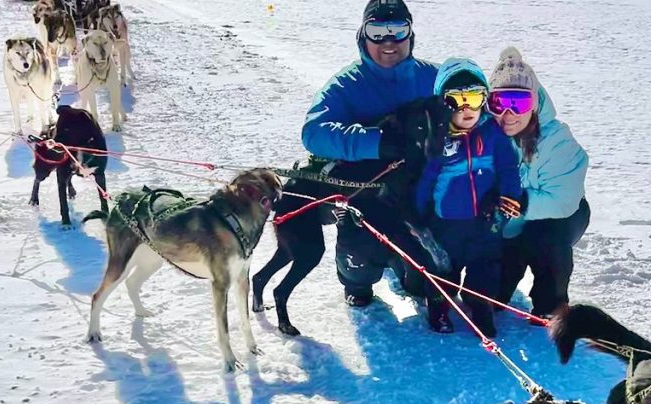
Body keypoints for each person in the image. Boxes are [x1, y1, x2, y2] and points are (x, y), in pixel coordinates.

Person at [252, 0, 449, 335]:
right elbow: (313, 133)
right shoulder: (347, 85)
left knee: (424, 272)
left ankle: (410, 274)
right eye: (378, 32)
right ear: (363, 35)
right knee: (362, 246)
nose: (389, 42)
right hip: (367, 195)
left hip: (422, 191)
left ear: (411, 34)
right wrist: (374, 142)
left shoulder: (434, 77)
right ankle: (357, 283)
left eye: (398, 31)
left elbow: (475, 110)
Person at [415, 59, 523, 338]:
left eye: (474, 98)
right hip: (446, 221)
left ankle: (481, 308)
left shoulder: (494, 134)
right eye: (457, 100)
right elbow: (427, 177)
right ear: (442, 103)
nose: (467, 109)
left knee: (485, 267)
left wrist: (509, 196)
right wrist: (419, 210)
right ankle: (439, 307)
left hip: (484, 220)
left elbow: (509, 168)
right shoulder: (438, 138)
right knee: (443, 269)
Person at [488, 47, 590, 320]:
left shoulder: (556, 139)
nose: (508, 114)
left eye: (518, 103)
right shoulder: (484, 134)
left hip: (558, 217)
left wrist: (520, 203)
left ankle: (551, 306)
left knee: (545, 240)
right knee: (491, 297)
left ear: (533, 104)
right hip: (508, 222)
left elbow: (563, 199)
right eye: (499, 103)